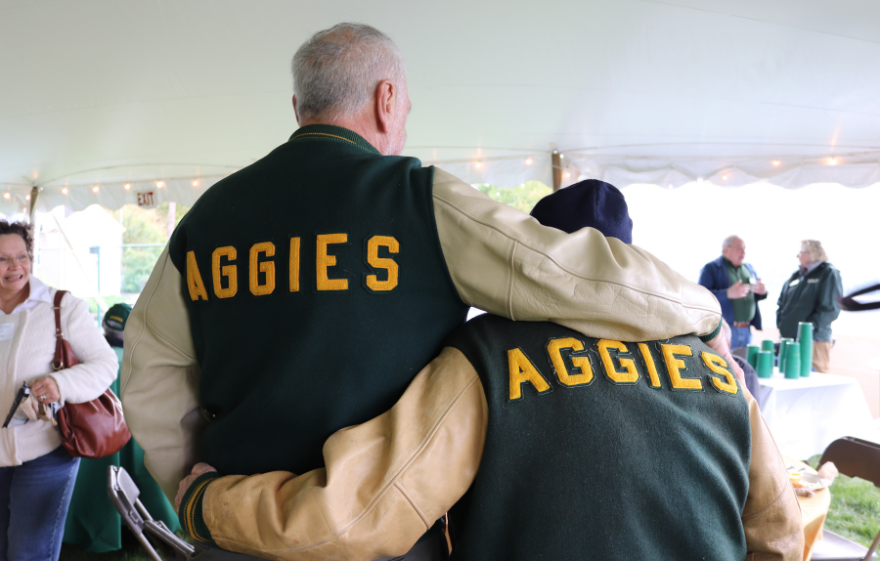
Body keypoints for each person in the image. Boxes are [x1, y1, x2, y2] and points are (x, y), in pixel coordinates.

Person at [121, 23, 724, 558]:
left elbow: (149, 378)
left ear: (300, 105)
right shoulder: (416, 199)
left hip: (236, 531)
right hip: (384, 541)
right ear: (386, 100)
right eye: (406, 103)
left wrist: (199, 489)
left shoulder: (207, 218)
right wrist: (702, 312)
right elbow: (571, 275)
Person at [174, 181, 803, 561]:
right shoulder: (721, 372)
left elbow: (358, 514)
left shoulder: (487, 357)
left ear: (538, 259)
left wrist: (209, 502)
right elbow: (777, 534)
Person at [0, 220, 118, 561]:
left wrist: (60, 384)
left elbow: (105, 364)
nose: (15, 267)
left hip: (45, 447)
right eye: (3, 259)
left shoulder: (61, 307)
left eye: (21, 256)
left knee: (27, 553)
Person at [63, 303, 181, 553]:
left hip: (94, 439)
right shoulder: (148, 362)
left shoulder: (83, 363)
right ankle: (156, 524)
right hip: (139, 436)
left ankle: (94, 529)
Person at [777, 240, 842, 373]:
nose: (798, 256)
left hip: (814, 342)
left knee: (816, 383)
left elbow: (830, 308)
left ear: (812, 253)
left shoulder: (828, 273)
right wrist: (781, 323)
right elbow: (781, 303)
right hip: (790, 341)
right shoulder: (796, 275)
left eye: (801, 252)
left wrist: (806, 331)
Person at [699, 235, 768, 349]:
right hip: (724, 331)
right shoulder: (711, 268)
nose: (743, 252)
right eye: (740, 248)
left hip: (747, 330)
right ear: (727, 249)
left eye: (745, 249)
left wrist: (763, 292)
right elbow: (700, 297)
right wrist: (727, 293)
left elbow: (757, 293)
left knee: (744, 365)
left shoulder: (749, 268)